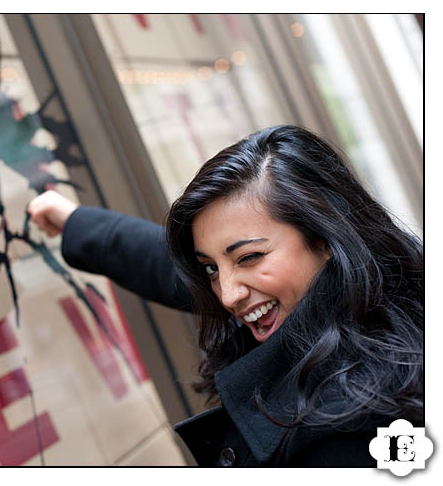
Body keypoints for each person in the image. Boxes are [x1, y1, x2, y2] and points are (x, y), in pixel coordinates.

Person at [27, 125, 423, 467]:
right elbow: (172, 270)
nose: (228, 295)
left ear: (327, 238)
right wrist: (75, 221)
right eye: (211, 268)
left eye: (249, 257)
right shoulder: (387, 293)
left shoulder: (357, 422)